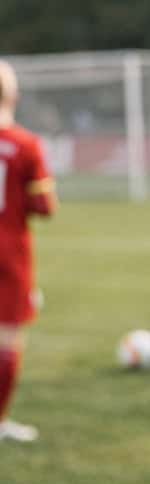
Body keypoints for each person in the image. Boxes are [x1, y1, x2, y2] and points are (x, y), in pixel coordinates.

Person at [0, 61, 57, 443]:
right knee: (8, 338)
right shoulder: (25, 144)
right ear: (14, 95)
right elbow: (45, 207)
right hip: (9, 251)